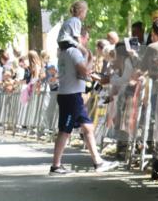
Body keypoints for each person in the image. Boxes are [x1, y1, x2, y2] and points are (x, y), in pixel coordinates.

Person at [49, 26, 116, 175]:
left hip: (73, 94)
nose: (87, 41)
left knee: (88, 128)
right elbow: (84, 72)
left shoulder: (67, 52)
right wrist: (88, 56)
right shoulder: (73, 52)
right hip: (71, 95)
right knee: (65, 131)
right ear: (79, 38)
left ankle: (98, 162)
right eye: (86, 37)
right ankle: (55, 166)